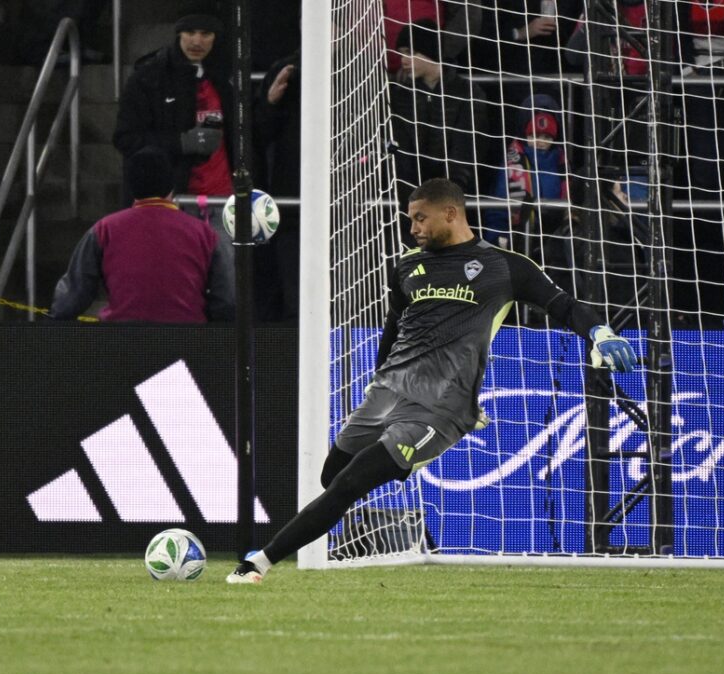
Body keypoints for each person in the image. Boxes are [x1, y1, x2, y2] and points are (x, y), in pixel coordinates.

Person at [226, 178, 637, 583]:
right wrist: (378, 378)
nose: (414, 228)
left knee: (349, 484)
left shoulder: (504, 267)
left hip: (441, 406)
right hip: (388, 393)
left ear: (451, 213)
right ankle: (389, 529)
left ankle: (258, 564)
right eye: (411, 220)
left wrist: (600, 333)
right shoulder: (407, 266)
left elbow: (564, 305)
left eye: (421, 218)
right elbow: (394, 326)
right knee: (333, 475)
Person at [49, 146, 235, 323]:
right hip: (187, 342)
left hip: (121, 342)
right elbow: (227, 300)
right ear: (171, 185)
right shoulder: (204, 234)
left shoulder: (104, 230)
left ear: (131, 186)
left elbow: (71, 298)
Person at [112, 0, 233, 235]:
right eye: (189, 32)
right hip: (173, 200)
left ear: (216, 36)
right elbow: (125, 138)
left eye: (205, 33)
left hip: (223, 201)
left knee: (224, 270)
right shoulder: (149, 77)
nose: (196, 41)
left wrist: (270, 104)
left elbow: (250, 134)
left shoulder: (227, 78)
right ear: (178, 34)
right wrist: (182, 142)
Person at [389, 19, 490, 243]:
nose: (403, 60)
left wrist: (446, 198)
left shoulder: (467, 92)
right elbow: (402, 157)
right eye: (401, 53)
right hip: (410, 208)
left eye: (410, 52)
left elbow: (468, 153)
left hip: (455, 207)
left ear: (429, 52)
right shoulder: (400, 96)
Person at [483, 94, 568, 253]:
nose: (540, 142)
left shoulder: (562, 163)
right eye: (534, 135)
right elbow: (498, 205)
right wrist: (496, 236)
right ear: (524, 134)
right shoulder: (511, 163)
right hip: (518, 237)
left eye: (546, 136)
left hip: (555, 237)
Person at [253, 47, 300, 322]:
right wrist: (271, 102)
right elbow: (259, 134)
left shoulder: (358, 70)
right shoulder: (286, 69)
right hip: (290, 202)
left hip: (346, 201)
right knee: (291, 289)